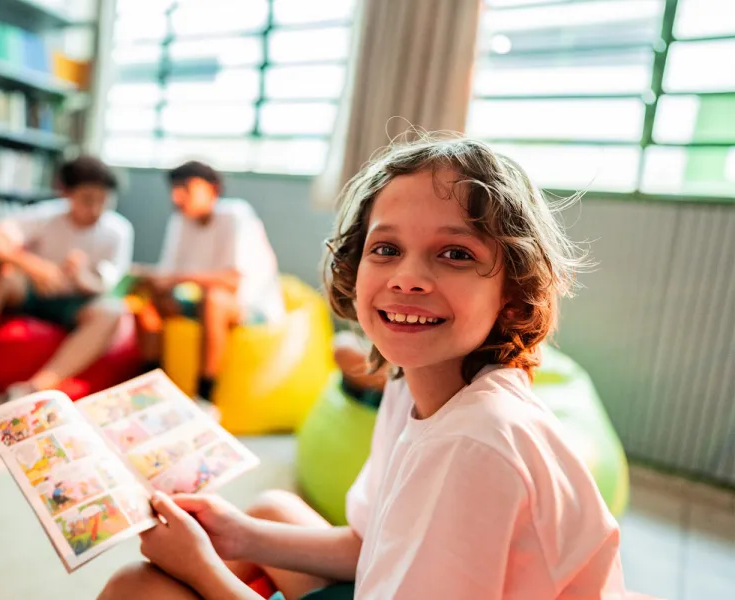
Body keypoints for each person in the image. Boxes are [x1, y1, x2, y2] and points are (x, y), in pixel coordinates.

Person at [97, 136, 641, 600]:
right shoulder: (412, 384)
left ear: (514, 293)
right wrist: (235, 536)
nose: (407, 277)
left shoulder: (475, 444)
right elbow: (370, 545)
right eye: (385, 248)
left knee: (133, 587)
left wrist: (206, 572)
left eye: (455, 254)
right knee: (268, 509)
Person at [0, 155, 134, 425]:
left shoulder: (118, 230)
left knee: (112, 311)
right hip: (31, 292)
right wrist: (33, 266)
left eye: (103, 201)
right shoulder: (45, 215)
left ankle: (33, 391)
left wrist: (81, 276)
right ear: (68, 194)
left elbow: (105, 284)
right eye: (87, 199)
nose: (95, 209)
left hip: (78, 303)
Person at [132, 161, 284, 402]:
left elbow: (232, 281)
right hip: (197, 300)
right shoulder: (180, 221)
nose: (177, 197)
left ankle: (205, 394)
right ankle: (151, 385)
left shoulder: (235, 215)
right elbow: (169, 274)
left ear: (213, 189)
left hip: (248, 307)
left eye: (186, 188)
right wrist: (147, 276)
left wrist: (175, 278)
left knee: (214, 298)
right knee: (143, 296)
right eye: (174, 189)